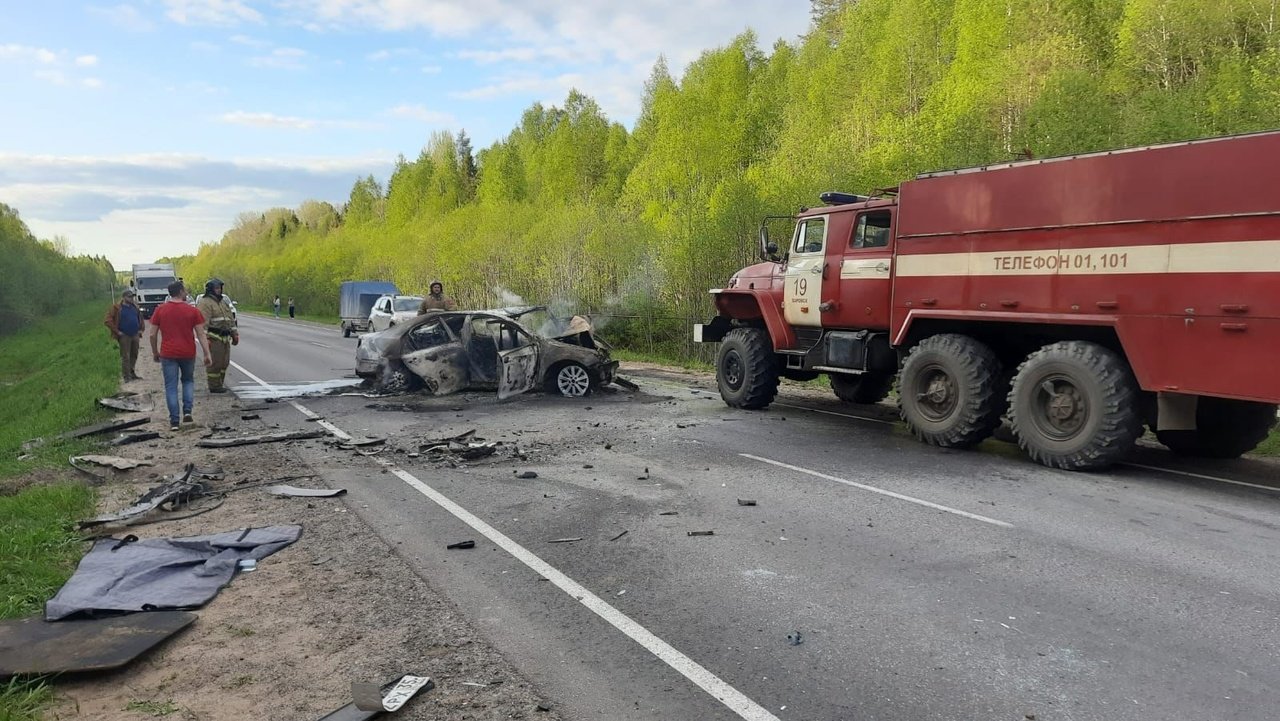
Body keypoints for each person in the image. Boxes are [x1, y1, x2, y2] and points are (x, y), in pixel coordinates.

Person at [148, 281, 211, 431]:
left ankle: (174, 421)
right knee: (188, 381)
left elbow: (152, 334)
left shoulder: (160, 310)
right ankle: (187, 412)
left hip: (168, 353)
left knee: (171, 386)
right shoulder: (192, 311)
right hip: (188, 352)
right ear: (181, 292)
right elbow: (201, 334)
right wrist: (207, 353)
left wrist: (155, 352)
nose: (186, 292)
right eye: (185, 290)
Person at [195, 278, 240, 393]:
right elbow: (202, 324)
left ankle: (220, 383)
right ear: (210, 289)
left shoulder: (222, 302)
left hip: (225, 338)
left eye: (220, 288)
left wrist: (235, 334)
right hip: (214, 338)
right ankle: (214, 386)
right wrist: (206, 339)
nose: (219, 290)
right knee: (215, 363)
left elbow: (230, 320)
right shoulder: (205, 303)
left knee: (224, 362)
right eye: (216, 288)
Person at [104, 288, 146, 381]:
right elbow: (107, 320)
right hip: (124, 335)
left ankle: (132, 372)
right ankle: (126, 376)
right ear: (123, 297)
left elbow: (140, 318)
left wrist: (141, 329)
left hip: (135, 334)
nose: (131, 298)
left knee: (134, 354)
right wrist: (117, 332)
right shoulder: (117, 308)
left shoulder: (135, 306)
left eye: (132, 297)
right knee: (125, 356)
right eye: (129, 297)